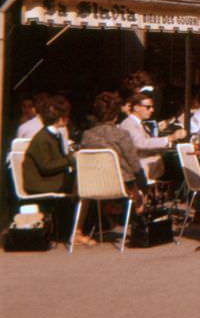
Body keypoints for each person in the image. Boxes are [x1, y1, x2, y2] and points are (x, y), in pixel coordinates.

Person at [22, 96, 94, 244]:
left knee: (84, 182)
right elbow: (46, 166)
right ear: (61, 118)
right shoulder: (43, 138)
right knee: (84, 185)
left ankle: (75, 230)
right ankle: (76, 231)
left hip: (49, 179)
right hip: (40, 182)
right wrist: (70, 159)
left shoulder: (53, 135)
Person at [81, 92, 147, 206]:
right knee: (140, 183)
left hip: (94, 185)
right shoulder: (121, 134)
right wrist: (143, 184)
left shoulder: (86, 135)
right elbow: (135, 165)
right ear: (116, 116)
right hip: (121, 185)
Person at [120, 93, 186, 180]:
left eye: (152, 107)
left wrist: (170, 144)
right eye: (148, 107)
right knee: (182, 170)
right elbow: (141, 143)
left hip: (151, 167)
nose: (152, 110)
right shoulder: (129, 124)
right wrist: (170, 138)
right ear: (136, 108)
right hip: (142, 170)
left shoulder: (140, 124)